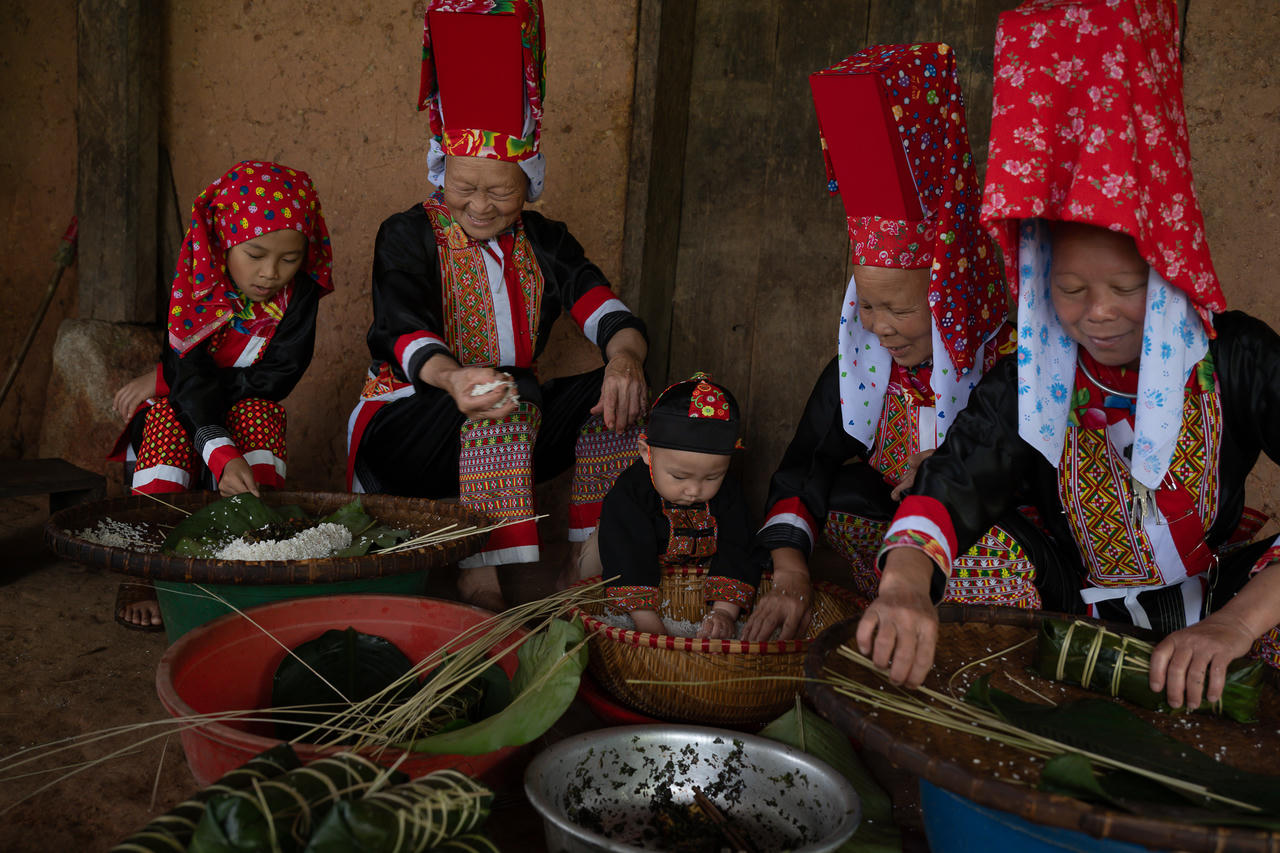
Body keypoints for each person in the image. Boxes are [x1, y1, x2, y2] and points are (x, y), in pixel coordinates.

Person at [858, 0, 1280, 715]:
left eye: (1126, 286)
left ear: (1170, 270)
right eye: (1072, 288)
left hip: (1218, 602)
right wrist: (902, 585)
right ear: (1038, 284)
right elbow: (958, 478)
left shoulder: (1235, 356)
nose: (1099, 312)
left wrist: (1234, 623)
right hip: (1067, 608)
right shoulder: (1033, 377)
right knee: (976, 562)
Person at [743, 43, 1070, 643]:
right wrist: (789, 571)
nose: (881, 327)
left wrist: (952, 478)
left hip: (996, 557)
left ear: (954, 303)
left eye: (900, 308)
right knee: (838, 499)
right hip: (896, 558)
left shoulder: (1013, 372)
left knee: (986, 541)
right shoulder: (863, 372)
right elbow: (804, 467)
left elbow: (1054, 480)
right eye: (866, 305)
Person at [346, 0, 647, 612]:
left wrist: (625, 361)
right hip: (410, 421)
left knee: (625, 403)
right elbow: (399, 328)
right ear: (440, 174)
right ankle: (478, 573)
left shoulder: (546, 242)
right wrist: (456, 378)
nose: (479, 205)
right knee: (504, 396)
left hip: (516, 414)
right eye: (463, 187)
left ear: (528, 183)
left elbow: (607, 312)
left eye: (499, 190)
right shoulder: (406, 234)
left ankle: (586, 563)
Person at [109, 160, 334, 629]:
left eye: (289, 258)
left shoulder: (301, 297)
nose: (271, 272)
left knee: (260, 411)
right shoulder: (197, 281)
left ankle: (253, 547)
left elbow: (276, 378)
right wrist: (209, 433)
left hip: (236, 401)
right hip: (190, 410)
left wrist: (175, 376)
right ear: (223, 241)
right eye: (255, 253)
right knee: (169, 418)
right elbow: (189, 373)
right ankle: (145, 567)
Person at [578, 374, 761, 639]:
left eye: (712, 477)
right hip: (631, 571)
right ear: (646, 453)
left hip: (690, 583)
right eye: (679, 476)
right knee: (596, 559)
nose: (694, 490)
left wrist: (724, 612)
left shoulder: (729, 494)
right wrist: (647, 622)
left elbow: (738, 546)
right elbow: (625, 552)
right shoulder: (631, 492)